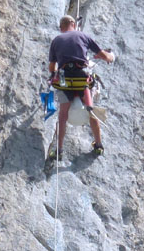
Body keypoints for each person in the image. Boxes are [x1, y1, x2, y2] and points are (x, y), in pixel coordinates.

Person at [48, 15, 114, 159]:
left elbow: (52, 67)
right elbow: (103, 55)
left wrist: (53, 75)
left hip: (65, 82)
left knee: (63, 115)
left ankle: (59, 150)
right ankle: (98, 145)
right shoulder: (83, 36)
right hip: (82, 80)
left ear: (61, 27)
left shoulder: (56, 40)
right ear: (73, 23)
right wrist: (110, 56)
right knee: (91, 111)